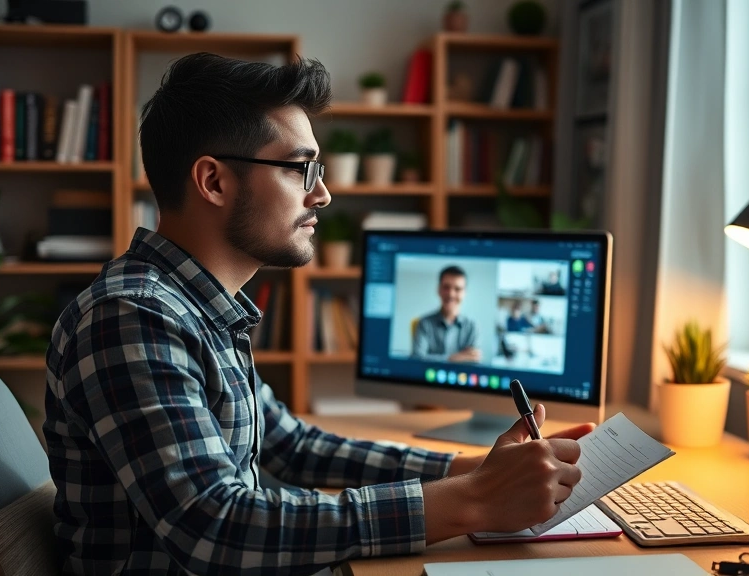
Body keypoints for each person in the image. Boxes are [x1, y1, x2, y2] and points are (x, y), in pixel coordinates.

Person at [43, 53, 592, 576]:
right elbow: (217, 528)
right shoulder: (132, 315)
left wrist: (470, 471)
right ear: (213, 181)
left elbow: (293, 446)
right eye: (300, 170)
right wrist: (471, 501)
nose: (323, 195)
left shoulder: (200, 310)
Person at [411, 266, 481, 362]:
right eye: (446, 287)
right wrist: (454, 358)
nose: (451, 294)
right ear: (439, 289)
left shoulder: (472, 326)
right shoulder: (424, 323)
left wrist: (432, 358)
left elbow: (473, 360)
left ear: (464, 293)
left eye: (457, 289)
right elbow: (417, 359)